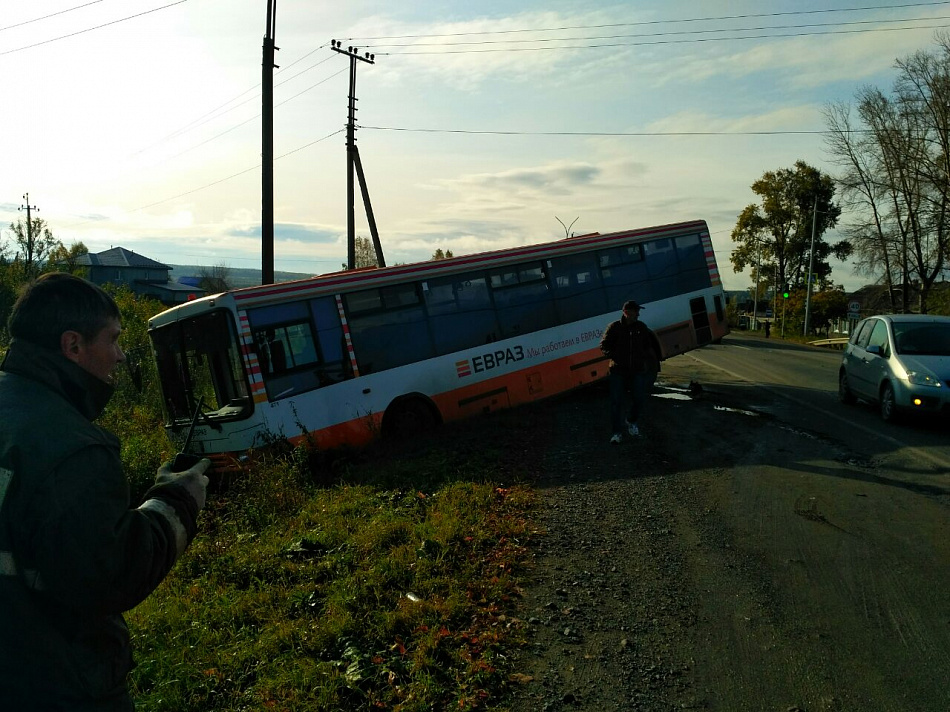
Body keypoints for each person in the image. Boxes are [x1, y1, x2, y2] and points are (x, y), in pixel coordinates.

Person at [0, 273, 211, 710]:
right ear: (73, 345)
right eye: (112, 340)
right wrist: (178, 499)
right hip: (56, 685)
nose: (119, 356)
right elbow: (111, 574)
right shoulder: (73, 448)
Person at [600, 299, 662, 443]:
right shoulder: (614, 327)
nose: (638, 314)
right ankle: (616, 433)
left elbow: (647, 346)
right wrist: (613, 355)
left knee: (639, 398)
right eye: (636, 312)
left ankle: (631, 421)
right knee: (616, 402)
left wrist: (644, 358)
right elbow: (604, 345)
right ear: (626, 313)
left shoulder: (641, 327)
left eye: (638, 312)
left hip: (637, 370)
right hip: (618, 370)